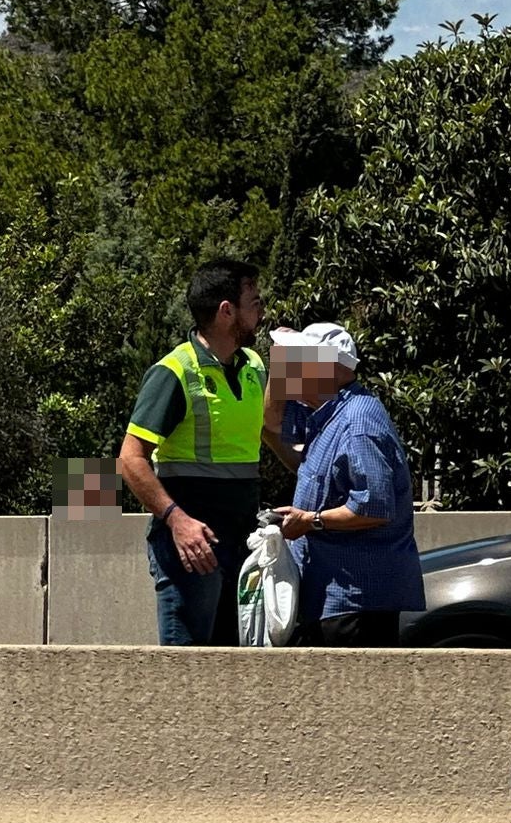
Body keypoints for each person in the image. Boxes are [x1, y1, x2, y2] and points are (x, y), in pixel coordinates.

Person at [117, 259, 301, 646]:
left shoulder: (252, 364)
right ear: (226, 311)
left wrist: (313, 477)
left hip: (242, 545)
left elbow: (269, 428)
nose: (261, 311)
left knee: (232, 669)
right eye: (254, 300)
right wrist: (177, 521)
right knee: (188, 673)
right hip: (193, 550)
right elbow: (129, 459)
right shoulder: (174, 371)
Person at [268, 323, 426, 645]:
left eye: (299, 359)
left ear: (327, 368)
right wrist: (280, 360)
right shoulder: (325, 412)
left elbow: (375, 507)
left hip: (357, 605)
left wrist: (310, 521)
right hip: (332, 601)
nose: (290, 369)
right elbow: (271, 419)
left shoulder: (358, 424)